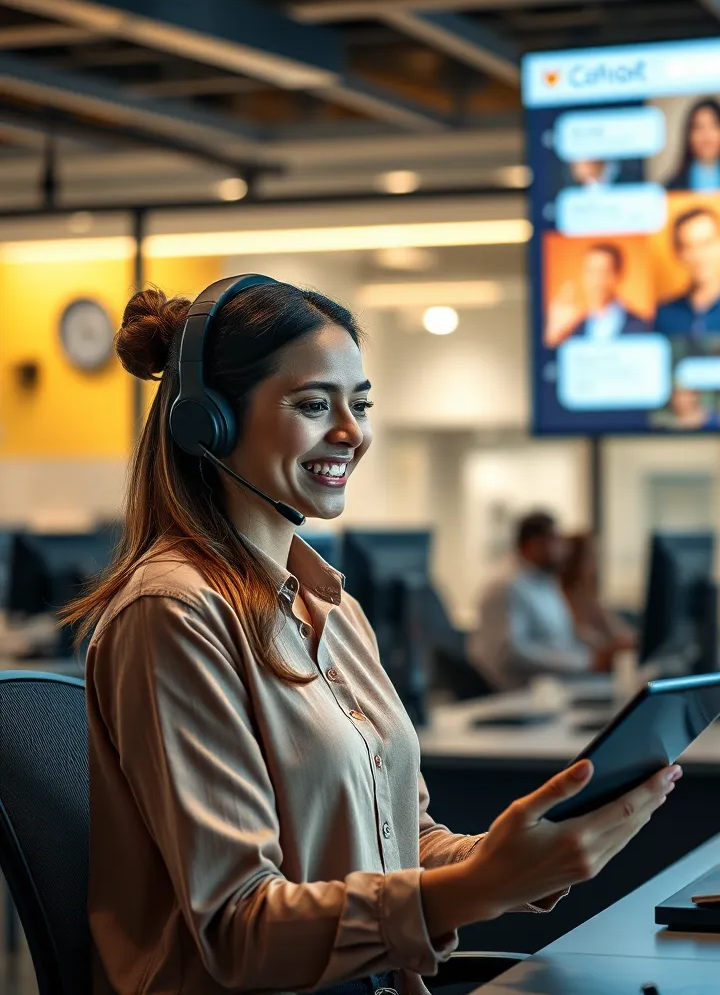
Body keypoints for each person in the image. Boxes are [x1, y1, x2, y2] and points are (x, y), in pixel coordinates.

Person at [65, 279, 680, 995]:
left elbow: (401, 842)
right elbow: (236, 929)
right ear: (209, 424)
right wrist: (478, 888)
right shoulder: (172, 614)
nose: (352, 433)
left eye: (360, 405)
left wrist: (512, 858)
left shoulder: (334, 610)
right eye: (313, 404)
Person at [471, 512, 627, 691]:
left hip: (555, 684)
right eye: (556, 541)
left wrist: (598, 649)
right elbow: (511, 654)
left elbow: (560, 637)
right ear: (533, 545)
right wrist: (586, 662)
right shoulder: (506, 586)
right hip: (525, 692)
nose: (564, 549)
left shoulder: (544, 581)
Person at [654, 208, 720, 339]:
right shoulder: (663, 316)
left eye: (706, 243)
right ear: (678, 253)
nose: (699, 255)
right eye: (689, 246)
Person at [560, 532, 637, 653]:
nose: (595, 565)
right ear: (575, 561)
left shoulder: (589, 596)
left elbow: (620, 633)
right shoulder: (560, 598)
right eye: (591, 557)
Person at [664, 97, 720, 192]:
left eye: (714, 126)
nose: (706, 136)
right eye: (698, 127)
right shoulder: (671, 188)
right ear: (688, 135)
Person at [567, 243, 649, 341]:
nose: (597, 280)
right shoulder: (572, 329)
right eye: (591, 271)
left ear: (618, 275)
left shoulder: (641, 327)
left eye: (604, 272)